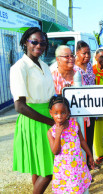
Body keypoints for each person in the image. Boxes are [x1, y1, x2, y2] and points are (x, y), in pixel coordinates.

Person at [10, 27, 55, 193]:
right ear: (25, 43)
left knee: (39, 166)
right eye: (34, 42)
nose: (39, 46)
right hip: (34, 120)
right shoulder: (19, 68)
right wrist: (51, 122)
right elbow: (19, 106)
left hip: (47, 116)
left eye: (43, 43)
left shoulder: (44, 65)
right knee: (49, 169)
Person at [47, 95, 94, 193]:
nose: (59, 116)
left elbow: (82, 141)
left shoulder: (75, 125)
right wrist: (58, 134)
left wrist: (89, 155)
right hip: (64, 171)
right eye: (56, 113)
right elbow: (55, 151)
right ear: (51, 113)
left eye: (63, 113)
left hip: (78, 166)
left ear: (68, 113)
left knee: (79, 188)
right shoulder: (51, 132)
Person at [74, 40, 96, 168]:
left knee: (90, 138)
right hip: (80, 110)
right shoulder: (74, 68)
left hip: (91, 108)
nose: (87, 56)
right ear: (77, 53)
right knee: (81, 139)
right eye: (84, 53)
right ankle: (82, 167)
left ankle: (90, 162)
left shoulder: (89, 66)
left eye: (89, 53)